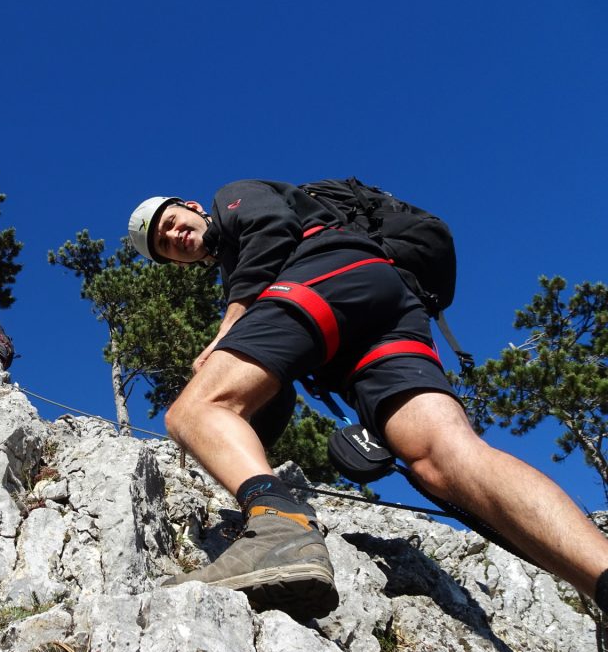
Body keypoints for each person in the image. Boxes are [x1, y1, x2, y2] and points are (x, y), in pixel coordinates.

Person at [128, 180, 608, 621]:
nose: (175, 237)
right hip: (382, 306)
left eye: (171, 223)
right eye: (166, 247)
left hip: (328, 274)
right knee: (441, 457)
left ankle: (279, 527)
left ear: (191, 207)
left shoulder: (233, 197)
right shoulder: (241, 269)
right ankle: (599, 572)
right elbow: (272, 395)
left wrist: (229, 328)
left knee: (194, 409)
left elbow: (271, 228)